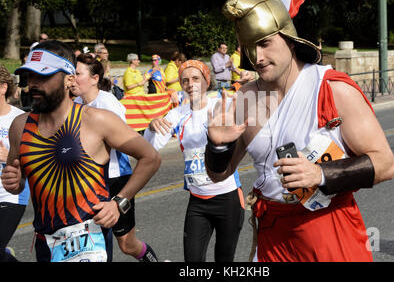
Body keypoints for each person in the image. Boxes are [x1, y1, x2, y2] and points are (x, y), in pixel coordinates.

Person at [204, 0, 394, 262]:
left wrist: (320, 174)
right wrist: (217, 146)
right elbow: (218, 176)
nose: (257, 57)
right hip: (273, 234)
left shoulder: (331, 88)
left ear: (289, 39)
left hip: (327, 226)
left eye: (265, 43)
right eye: (249, 47)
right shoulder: (246, 98)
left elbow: (386, 165)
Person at [1, 40, 161, 262]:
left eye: (43, 76)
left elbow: (150, 157)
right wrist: (14, 182)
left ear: (69, 79)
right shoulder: (20, 125)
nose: (33, 85)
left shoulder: (97, 120)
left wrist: (119, 202)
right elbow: (18, 180)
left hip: (90, 240)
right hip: (46, 243)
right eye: (30, 76)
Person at [144, 60, 244, 262]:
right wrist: (151, 127)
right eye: (185, 80)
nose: (191, 84)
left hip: (228, 198)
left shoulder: (221, 105)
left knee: (224, 260)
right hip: (198, 201)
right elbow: (149, 147)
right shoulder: (176, 114)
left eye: (196, 79)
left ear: (207, 81)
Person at [71, 54, 158, 262]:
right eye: (71, 74)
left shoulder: (107, 102)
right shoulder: (75, 102)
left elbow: (125, 141)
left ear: (94, 79)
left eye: (77, 74)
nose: (72, 78)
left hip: (115, 178)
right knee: (94, 240)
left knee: (127, 244)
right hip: (89, 181)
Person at [0, 65, 29, 262]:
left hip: (10, 194)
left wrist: (7, 157)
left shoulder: (18, 119)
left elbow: (36, 159)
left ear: (3, 88)